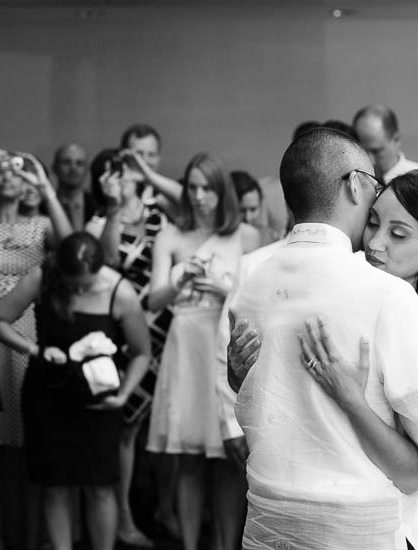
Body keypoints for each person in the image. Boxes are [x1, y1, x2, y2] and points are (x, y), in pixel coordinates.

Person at [227, 128, 418, 549]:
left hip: (268, 520)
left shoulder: (253, 279)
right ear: (354, 184)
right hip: (351, 526)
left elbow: (262, 407)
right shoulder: (385, 295)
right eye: (374, 219)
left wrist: (238, 381)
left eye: (398, 233)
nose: (377, 242)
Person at [0, 232, 151, 550]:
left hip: (99, 401)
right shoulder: (42, 276)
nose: (80, 290)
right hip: (48, 396)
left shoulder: (120, 291)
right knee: (54, 487)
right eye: (73, 283)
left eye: (88, 283)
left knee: (101, 487)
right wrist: (34, 350)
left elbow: (141, 353)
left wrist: (123, 396)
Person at [146, 152, 259, 550]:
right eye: (192, 187)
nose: (198, 196)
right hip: (186, 341)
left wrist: (221, 288)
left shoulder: (244, 236)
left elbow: (254, 298)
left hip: (224, 340)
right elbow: (152, 301)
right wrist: (182, 282)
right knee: (190, 456)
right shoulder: (170, 236)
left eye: (207, 187)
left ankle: (226, 544)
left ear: (221, 190)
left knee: (228, 459)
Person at [0, 148, 72, 550]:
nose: (9, 176)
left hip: (30, 334)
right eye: (2, 171)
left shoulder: (41, 224)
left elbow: (70, 247)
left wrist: (45, 186)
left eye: (17, 171)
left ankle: (34, 539)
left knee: (34, 445)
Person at [84, 147, 183, 547]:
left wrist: (144, 171)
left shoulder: (161, 215)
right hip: (128, 334)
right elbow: (108, 257)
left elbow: (188, 199)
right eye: (112, 174)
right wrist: (111, 207)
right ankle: (124, 519)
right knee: (127, 429)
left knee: (170, 424)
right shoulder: (96, 222)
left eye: (124, 172)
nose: (121, 179)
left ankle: (168, 509)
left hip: (168, 329)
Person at [352, 104, 418, 183]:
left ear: (396, 139)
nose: (371, 161)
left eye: (376, 151)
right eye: (364, 151)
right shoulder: (353, 183)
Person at [52, 143, 95, 231]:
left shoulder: (99, 207)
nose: (73, 168)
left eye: (79, 163)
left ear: (87, 169)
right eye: (67, 162)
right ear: (54, 168)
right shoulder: (41, 207)